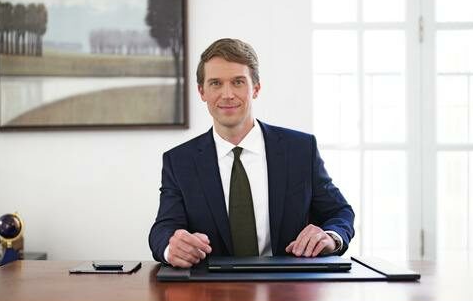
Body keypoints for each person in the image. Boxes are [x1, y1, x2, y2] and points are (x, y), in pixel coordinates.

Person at [149, 38, 354, 268]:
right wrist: (171, 248)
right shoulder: (179, 161)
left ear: (256, 88)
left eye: (238, 82)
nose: (227, 94)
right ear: (201, 91)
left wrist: (330, 237)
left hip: (288, 288)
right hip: (209, 292)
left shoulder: (300, 150)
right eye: (216, 83)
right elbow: (162, 229)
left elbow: (340, 212)